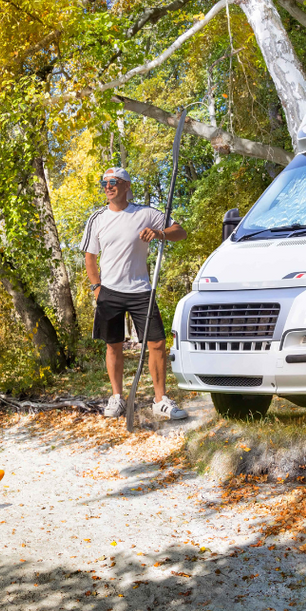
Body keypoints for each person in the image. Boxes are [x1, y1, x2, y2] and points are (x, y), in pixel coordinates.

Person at [81, 167, 189, 421]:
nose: (108, 186)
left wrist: (160, 233)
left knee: (157, 343)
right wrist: (97, 288)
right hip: (109, 290)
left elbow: (180, 232)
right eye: (104, 182)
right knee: (113, 345)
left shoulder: (146, 213)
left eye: (113, 182)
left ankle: (160, 400)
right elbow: (89, 257)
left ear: (127, 185)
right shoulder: (97, 218)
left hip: (141, 290)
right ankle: (117, 398)